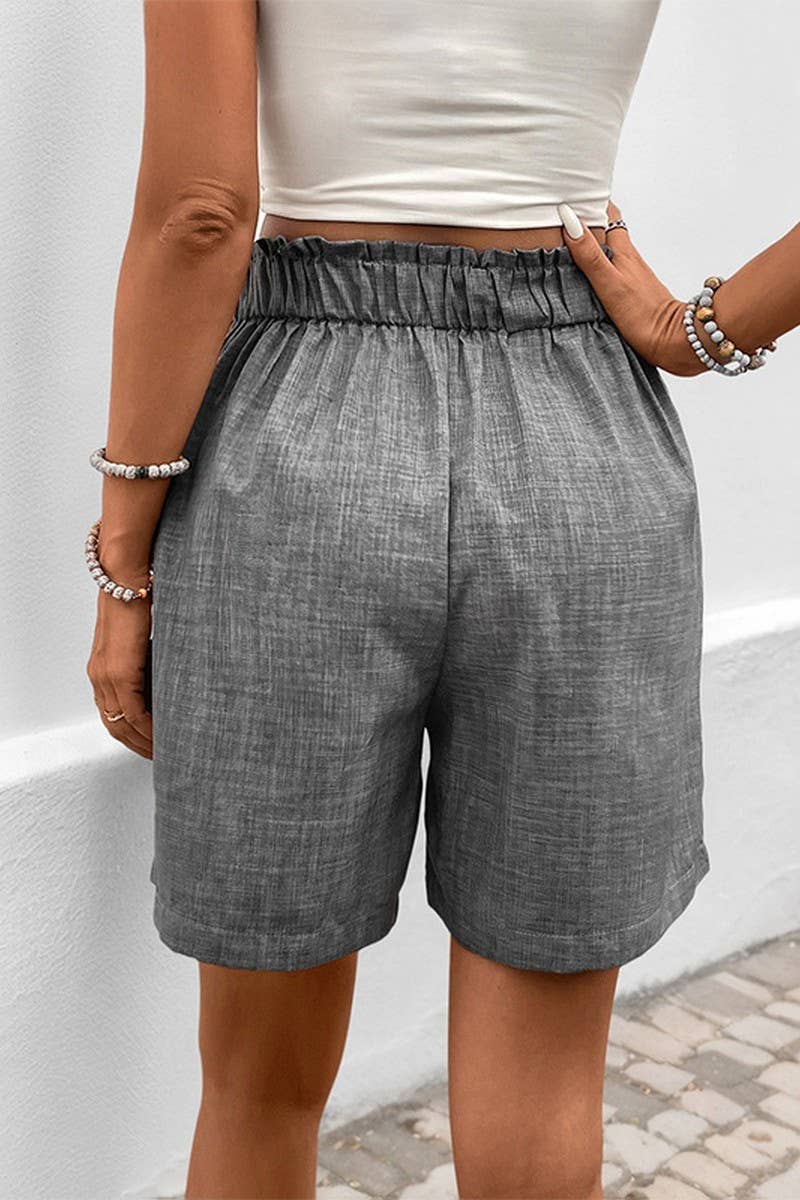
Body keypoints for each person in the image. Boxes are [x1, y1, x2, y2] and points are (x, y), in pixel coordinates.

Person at [83, 3, 794, 1198]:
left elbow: (199, 213)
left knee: (256, 1088)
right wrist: (700, 331)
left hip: (299, 442)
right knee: (547, 1088)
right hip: (580, 442)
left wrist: (123, 564)